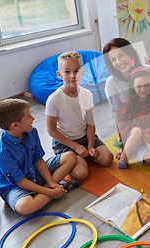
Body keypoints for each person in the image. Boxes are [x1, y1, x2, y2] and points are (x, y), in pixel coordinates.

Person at [0, 99, 82, 215]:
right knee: (24, 207)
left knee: (70, 157)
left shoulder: (32, 132)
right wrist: (49, 192)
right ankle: (58, 190)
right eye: (29, 116)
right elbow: (20, 181)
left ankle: (52, 188)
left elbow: (38, 159)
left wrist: (50, 182)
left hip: (33, 172)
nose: (33, 118)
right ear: (15, 125)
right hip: (14, 186)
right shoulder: (0, 152)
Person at [46, 51, 113, 181]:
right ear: (59, 75)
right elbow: (52, 131)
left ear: (82, 73)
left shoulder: (87, 94)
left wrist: (91, 146)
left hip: (85, 138)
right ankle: (72, 160)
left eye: (76, 71)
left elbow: (90, 123)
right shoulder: (54, 99)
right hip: (65, 143)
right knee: (82, 174)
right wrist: (76, 147)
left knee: (107, 159)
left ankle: (84, 155)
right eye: (67, 72)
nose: (72, 76)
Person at [118, 66, 150, 183]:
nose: (143, 89)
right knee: (137, 131)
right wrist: (125, 146)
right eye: (139, 86)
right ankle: (125, 158)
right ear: (133, 87)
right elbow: (124, 127)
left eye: (146, 85)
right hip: (136, 140)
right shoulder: (128, 104)